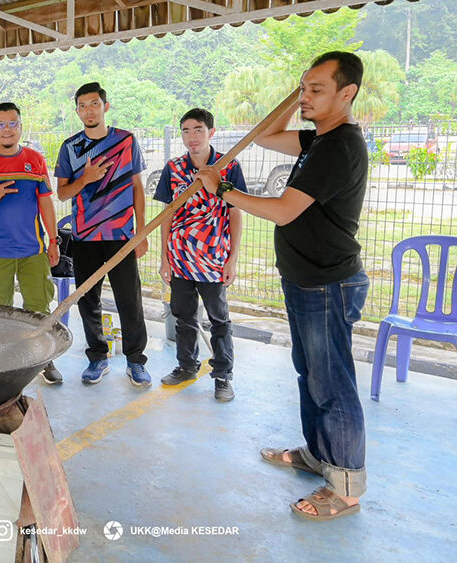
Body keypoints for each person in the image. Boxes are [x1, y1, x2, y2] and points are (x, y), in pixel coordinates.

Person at [197, 51, 370, 522]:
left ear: (347, 93)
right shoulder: (317, 140)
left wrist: (221, 190)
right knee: (310, 375)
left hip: (328, 284)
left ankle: (346, 485)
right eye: (303, 87)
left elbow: (283, 210)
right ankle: (318, 455)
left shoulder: (339, 148)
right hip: (304, 279)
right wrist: (294, 98)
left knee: (332, 384)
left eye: (317, 89)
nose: (306, 96)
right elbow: (266, 136)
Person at [55, 82, 151, 388]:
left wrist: (142, 231)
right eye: (82, 105)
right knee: (88, 300)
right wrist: (85, 178)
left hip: (121, 234)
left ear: (105, 106)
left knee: (129, 300)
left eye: (94, 103)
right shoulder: (70, 147)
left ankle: (136, 361)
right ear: (77, 110)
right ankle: (97, 357)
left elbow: (137, 186)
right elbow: (62, 192)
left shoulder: (126, 141)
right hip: (84, 236)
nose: (89, 110)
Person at [154, 108, 246, 402]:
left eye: (198, 130)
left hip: (213, 259)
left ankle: (222, 375)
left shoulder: (227, 168)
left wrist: (231, 258)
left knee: (219, 320)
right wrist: (165, 257)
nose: (191, 137)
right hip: (180, 257)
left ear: (211, 133)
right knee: (183, 317)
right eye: (185, 131)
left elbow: (234, 213)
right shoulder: (173, 168)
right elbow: (166, 214)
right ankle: (186, 366)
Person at [0, 102, 62, 384]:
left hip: (34, 250)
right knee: (0, 311)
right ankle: (4, 362)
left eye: (12, 123)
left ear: (20, 126)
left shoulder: (35, 159)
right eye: (0, 125)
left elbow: (46, 204)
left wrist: (53, 241)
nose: (6, 130)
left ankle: (44, 360)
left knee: (39, 307)